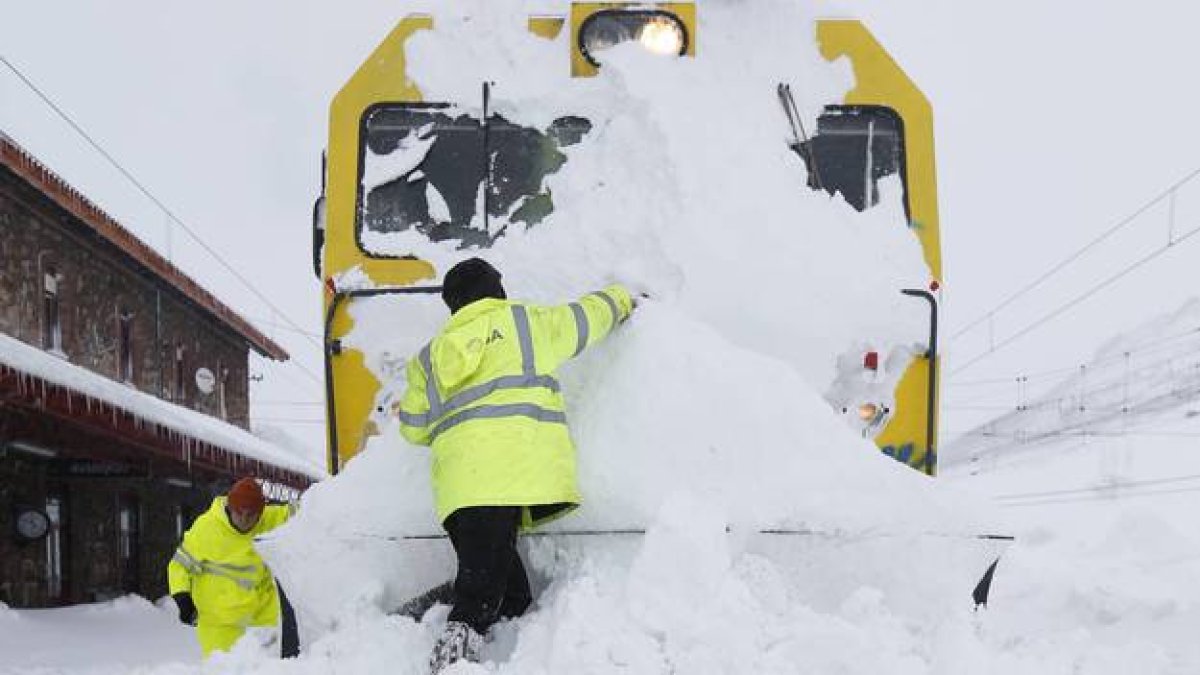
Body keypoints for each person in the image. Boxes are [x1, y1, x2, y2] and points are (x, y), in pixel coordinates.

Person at [398, 258, 634, 673]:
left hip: (458, 493)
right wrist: (621, 297)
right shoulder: (525, 324)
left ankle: (502, 652)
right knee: (480, 597)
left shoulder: (429, 358)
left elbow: (413, 429)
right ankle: (447, 659)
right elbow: (583, 320)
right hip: (505, 481)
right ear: (496, 289)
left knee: (512, 597)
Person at [167, 477, 299, 659]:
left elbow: (305, 510)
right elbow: (179, 566)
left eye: (251, 515)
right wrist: (183, 599)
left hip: (261, 618)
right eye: (240, 513)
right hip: (219, 624)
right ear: (230, 507)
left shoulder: (268, 520)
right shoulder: (206, 529)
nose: (245, 520)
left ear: (261, 514)